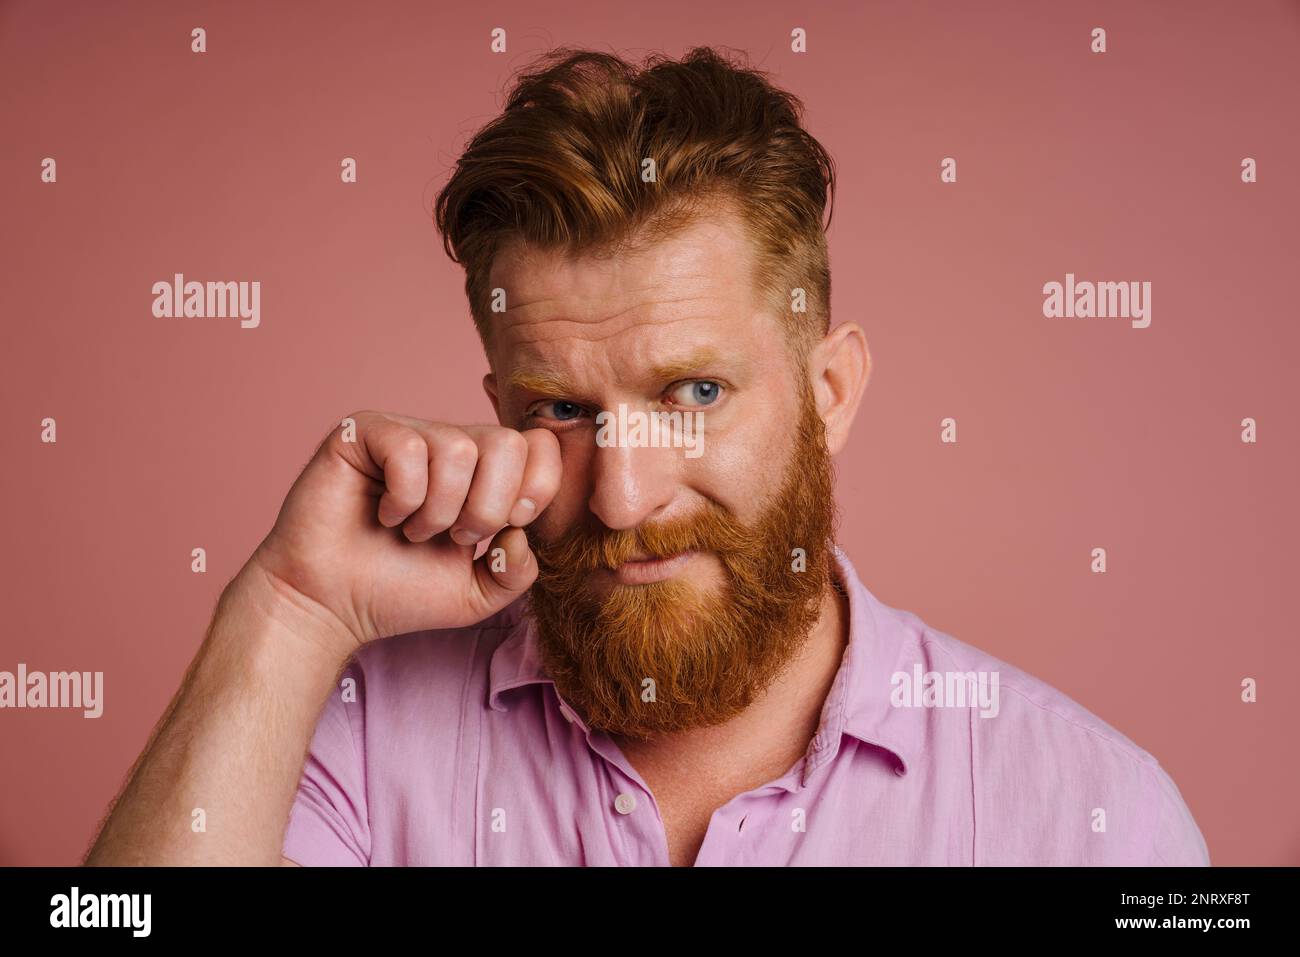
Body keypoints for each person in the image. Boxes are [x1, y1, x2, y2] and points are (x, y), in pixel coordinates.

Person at [85, 46, 1209, 867]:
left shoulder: (1095, 817)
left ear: (827, 393)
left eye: (697, 393)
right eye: (564, 410)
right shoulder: (360, 744)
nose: (624, 493)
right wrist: (288, 611)